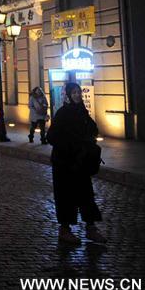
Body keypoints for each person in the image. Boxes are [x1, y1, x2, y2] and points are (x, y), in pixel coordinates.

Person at [47, 82, 106, 245]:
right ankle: (65, 230)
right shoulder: (62, 113)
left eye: (78, 92)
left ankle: (91, 228)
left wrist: (87, 140)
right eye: (74, 93)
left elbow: (93, 129)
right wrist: (71, 146)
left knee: (86, 195)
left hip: (81, 162)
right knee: (66, 197)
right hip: (64, 164)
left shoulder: (82, 112)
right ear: (67, 95)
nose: (77, 95)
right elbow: (52, 137)